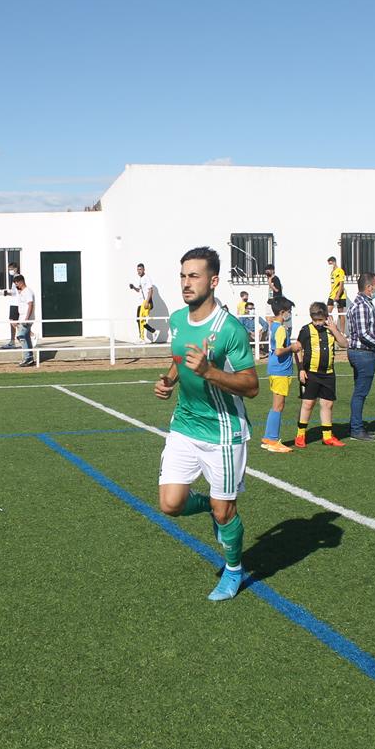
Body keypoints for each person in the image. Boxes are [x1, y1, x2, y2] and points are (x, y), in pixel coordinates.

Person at [154, 246, 259, 601]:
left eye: (194, 276)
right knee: (170, 504)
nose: (186, 283)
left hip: (224, 432)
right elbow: (179, 358)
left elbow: (252, 386)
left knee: (225, 510)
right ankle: (213, 510)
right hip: (185, 424)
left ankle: (233, 570)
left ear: (213, 281)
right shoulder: (179, 320)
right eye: (183, 276)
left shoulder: (229, 330)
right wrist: (169, 380)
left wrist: (210, 372)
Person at [294, 302, 349, 448]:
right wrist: (300, 369)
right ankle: (300, 434)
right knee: (308, 403)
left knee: (327, 404)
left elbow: (344, 344)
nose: (318, 323)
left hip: (328, 373)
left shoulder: (331, 330)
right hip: (310, 373)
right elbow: (298, 349)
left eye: (321, 320)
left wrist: (335, 330)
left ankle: (327, 436)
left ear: (326, 317)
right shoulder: (306, 330)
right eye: (315, 320)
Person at [345, 272, 375, 441]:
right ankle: (356, 429)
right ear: (369, 287)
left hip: (361, 353)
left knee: (359, 391)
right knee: (360, 393)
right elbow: (363, 334)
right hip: (363, 353)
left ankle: (356, 425)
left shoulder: (362, 303)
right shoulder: (362, 305)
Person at [261, 298, 301, 453]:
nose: (290, 314)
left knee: (276, 405)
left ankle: (268, 438)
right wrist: (292, 347)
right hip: (280, 370)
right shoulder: (281, 329)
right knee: (278, 406)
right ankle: (272, 439)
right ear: (283, 312)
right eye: (289, 311)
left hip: (276, 369)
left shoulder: (275, 326)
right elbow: (278, 351)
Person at [129, 263, 159, 344]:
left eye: (140, 269)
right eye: (137, 270)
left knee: (141, 320)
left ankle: (142, 338)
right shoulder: (140, 279)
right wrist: (133, 287)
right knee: (139, 320)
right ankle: (153, 332)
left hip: (145, 302)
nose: (139, 271)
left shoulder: (147, 278)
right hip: (140, 303)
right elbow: (139, 290)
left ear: (144, 269)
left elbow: (151, 290)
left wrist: (147, 301)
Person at [13, 274, 36, 367]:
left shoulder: (27, 292)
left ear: (21, 281)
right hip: (22, 318)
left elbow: (30, 304)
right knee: (26, 337)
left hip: (26, 319)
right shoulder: (22, 292)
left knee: (21, 336)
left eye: (17, 283)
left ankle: (28, 358)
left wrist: (27, 318)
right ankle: (29, 358)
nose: (16, 285)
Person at [0, 261, 20, 349]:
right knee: (12, 322)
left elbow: (18, 291)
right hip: (13, 302)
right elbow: (14, 292)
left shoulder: (18, 278)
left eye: (11, 269)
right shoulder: (14, 279)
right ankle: (12, 341)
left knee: (13, 322)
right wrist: (8, 293)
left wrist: (9, 292)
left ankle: (31, 334)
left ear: (15, 269)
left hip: (16, 303)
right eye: (9, 269)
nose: (10, 271)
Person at [327, 256, 347, 333]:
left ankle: (342, 332)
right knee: (328, 312)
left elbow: (341, 284)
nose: (330, 266)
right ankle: (334, 330)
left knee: (340, 313)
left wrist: (338, 295)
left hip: (340, 295)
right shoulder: (332, 272)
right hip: (332, 295)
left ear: (334, 262)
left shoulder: (340, 271)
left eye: (331, 264)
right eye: (329, 264)